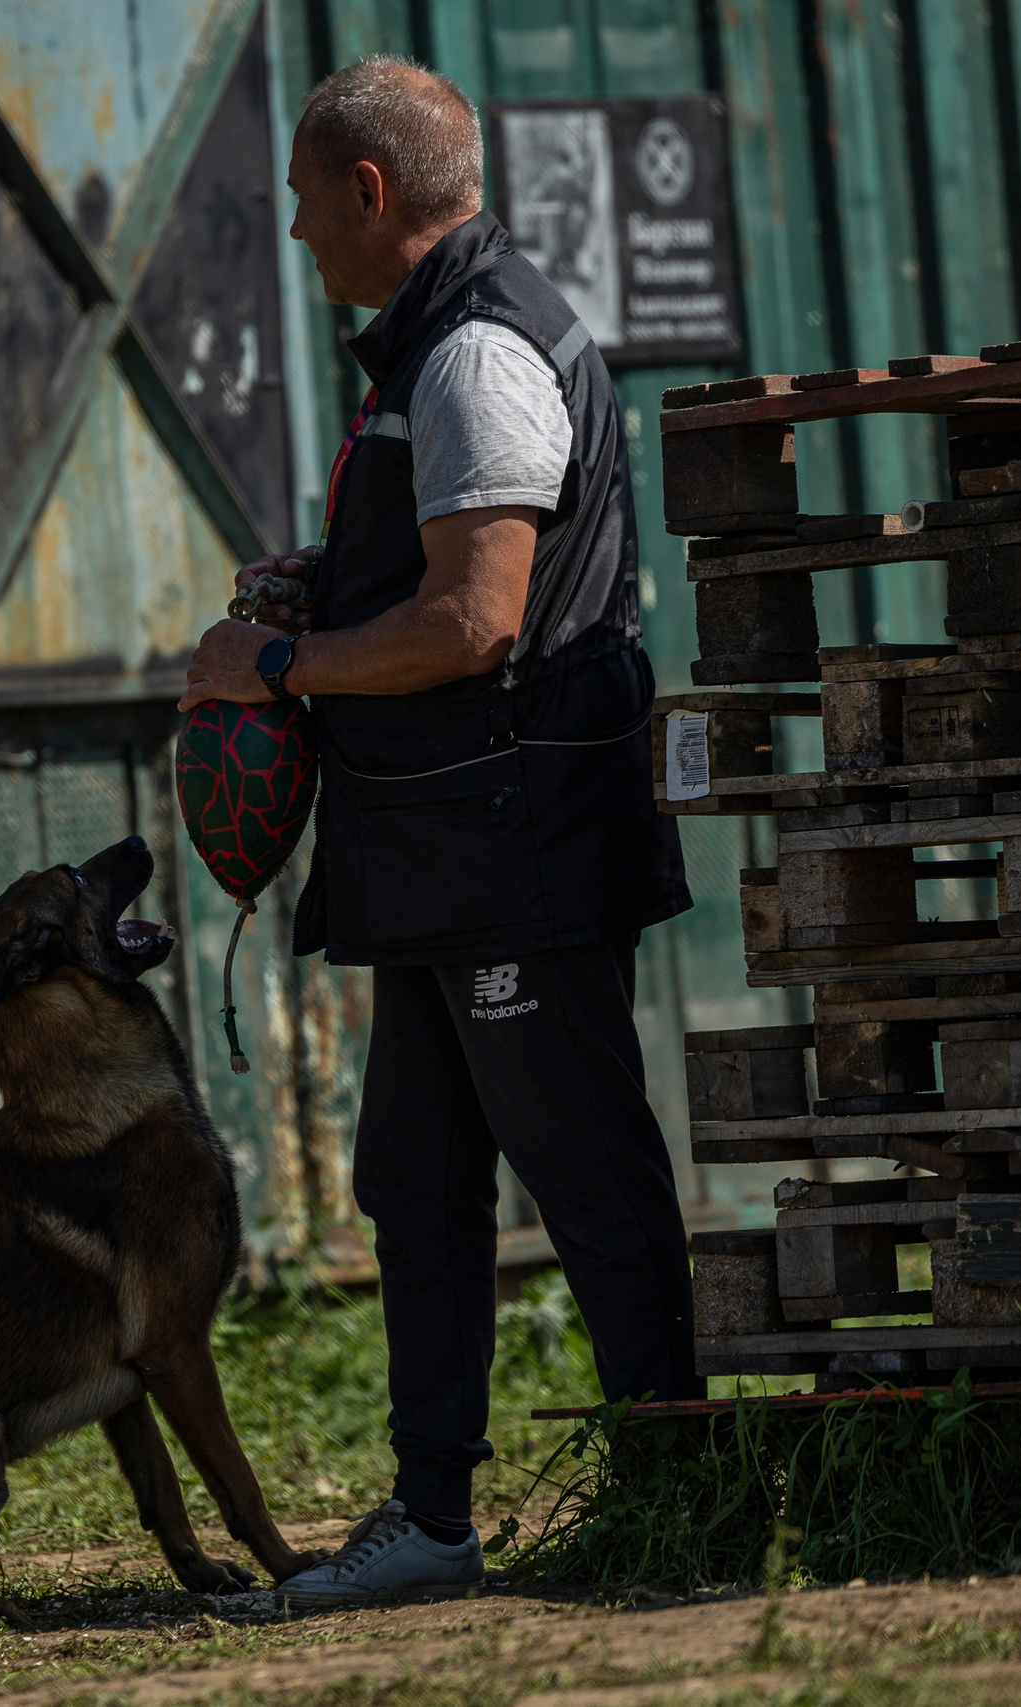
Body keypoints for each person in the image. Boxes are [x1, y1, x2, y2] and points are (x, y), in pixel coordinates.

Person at [179, 57, 695, 1605]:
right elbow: (439, 575)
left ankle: (683, 1497)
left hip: (508, 842)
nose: (293, 230)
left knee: (588, 1174)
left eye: (301, 198)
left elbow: (475, 620)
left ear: (370, 190)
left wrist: (279, 662)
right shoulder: (435, 344)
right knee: (413, 1181)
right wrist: (331, 580)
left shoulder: (473, 352)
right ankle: (432, 1517)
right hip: (438, 854)